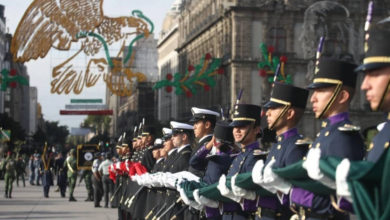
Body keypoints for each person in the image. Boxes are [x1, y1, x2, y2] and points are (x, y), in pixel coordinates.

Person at [290, 56, 366, 219]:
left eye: (320, 91)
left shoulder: (343, 136)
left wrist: (297, 195)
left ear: (342, 96)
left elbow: (342, 199)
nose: (313, 98)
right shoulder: (328, 131)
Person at [255, 83, 310, 220]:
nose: (267, 113)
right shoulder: (278, 144)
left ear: (290, 113)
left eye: (273, 108)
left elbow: (298, 197)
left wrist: (282, 189)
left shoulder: (295, 147)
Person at [221, 103, 265, 220]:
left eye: (242, 126)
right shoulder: (239, 155)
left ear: (256, 130)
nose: (237, 130)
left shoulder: (256, 156)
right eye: (235, 127)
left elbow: (255, 193)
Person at [189, 120, 236, 219]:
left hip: (217, 211)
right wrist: (210, 144)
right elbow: (194, 162)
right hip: (209, 210)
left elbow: (194, 161)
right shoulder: (216, 157)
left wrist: (209, 144)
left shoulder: (224, 158)